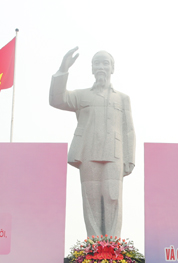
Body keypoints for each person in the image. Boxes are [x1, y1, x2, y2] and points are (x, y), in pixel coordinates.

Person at [49, 48, 136, 238]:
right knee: (91, 200)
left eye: (105, 63)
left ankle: (112, 245)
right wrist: (63, 69)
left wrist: (130, 158)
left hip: (115, 153)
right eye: (97, 63)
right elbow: (57, 99)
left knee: (113, 197)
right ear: (92, 69)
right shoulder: (81, 96)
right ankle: (94, 245)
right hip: (88, 152)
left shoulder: (122, 98)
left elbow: (129, 130)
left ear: (112, 68)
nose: (101, 67)